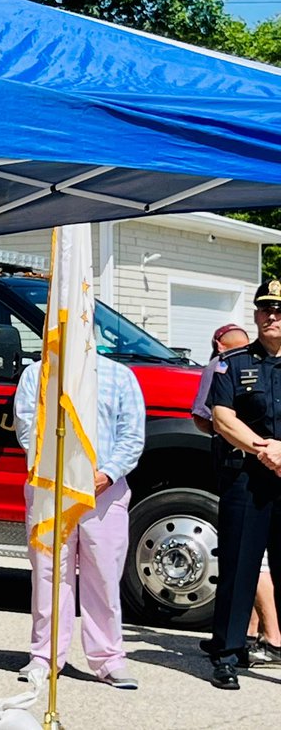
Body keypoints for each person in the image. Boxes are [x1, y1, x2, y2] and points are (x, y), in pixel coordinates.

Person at [14, 355, 145, 689]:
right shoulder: (37, 374)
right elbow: (28, 428)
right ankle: (44, 657)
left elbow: (132, 435)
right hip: (50, 491)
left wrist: (107, 474)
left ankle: (108, 658)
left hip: (104, 493)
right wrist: (55, 473)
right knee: (48, 575)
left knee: (102, 575)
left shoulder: (120, 376)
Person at [206, 280, 281, 689]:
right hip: (247, 479)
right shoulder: (233, 364)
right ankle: (228, 654)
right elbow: (221, 417)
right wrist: (264, 450)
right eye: (265, 309)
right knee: (238, 567)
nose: (272, 316)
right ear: (255, 315)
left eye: (279, 310)